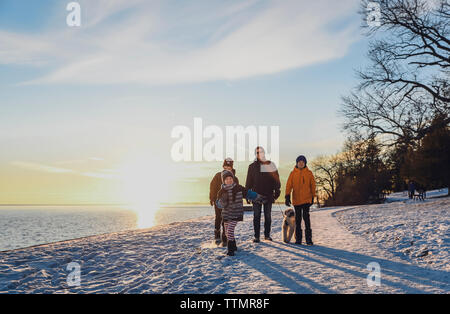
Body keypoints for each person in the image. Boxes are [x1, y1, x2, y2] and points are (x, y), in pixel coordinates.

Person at [216, 170, 266, 256]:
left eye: (230, 178)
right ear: (223, 181)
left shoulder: (238, 188)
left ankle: (230, 250)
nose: (229, 180)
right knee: (227, 232)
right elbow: (219, 205)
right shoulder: (221, 192)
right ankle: (234, 246)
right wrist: (222, 202)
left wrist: (258, 197)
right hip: (226, 215)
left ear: (233, 179)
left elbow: (249, 193)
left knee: (230, 231)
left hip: (236, 213)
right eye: (227, 179)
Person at [245, 146, 281, 242]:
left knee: (267, 216)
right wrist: (247, 194)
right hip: (255, 195)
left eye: (261, 152)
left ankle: (267, 235)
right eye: (257, 152)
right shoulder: (252, 167)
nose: (259, 154)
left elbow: (276, 179)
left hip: (268, 194)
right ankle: (256, 236)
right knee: (256, 216)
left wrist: (277, 191)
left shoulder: (270, 164)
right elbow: (249, 181)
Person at [285, 155, 316, 245]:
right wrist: (287, 196)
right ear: (297, 163)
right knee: (298, 220)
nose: (301, 164)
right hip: (297, 200)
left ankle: (308, 239)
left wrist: (313, 197)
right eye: (299, 162)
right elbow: (288, 185)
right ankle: (298, 239)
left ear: (305, 163)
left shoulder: (309, 173)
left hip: (306, 200)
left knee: (306, 219)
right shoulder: (293, 173)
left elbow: (313, 185)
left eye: (302, 162)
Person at [209, 158, 239, 245]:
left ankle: (225, 237)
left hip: (229, 203)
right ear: (223, 167)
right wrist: (212, 198)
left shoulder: (234, 178)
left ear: (232, 168)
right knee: (218, 217)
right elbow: (212, 187)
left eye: (229, 168)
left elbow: (237, 190)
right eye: (225, 167)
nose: (227, 169)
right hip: (218, 201)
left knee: (226, 219)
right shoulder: (218, 176)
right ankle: (217, 235)